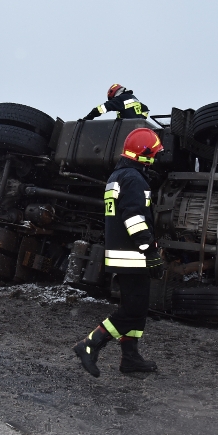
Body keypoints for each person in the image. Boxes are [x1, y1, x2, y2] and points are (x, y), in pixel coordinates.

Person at [73, 128, 165, 377]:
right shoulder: (134, 179)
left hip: (122, 254)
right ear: (143, 155)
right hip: (134, 255)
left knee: (136, 307)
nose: (155, 159)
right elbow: (134, 218)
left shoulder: (118, 176)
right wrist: (150, 250)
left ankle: (130, 358)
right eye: (153, 154)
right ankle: (90, 344)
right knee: (132, 310)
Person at [84, 84, 150, 120]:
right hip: (138, 128)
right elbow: (145, 109)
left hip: (127, 128)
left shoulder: (120, 99)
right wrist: (141, 119)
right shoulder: (133, 97)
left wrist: (89, 116)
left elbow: (103, 108)